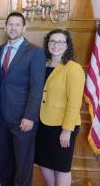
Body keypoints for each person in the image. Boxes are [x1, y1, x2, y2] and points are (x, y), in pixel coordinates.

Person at [0, 12, 45, 186]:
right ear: (5, 27)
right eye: (10, 24)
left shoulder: (35, 52)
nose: (13, 28)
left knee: (23, 165)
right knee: (4, 162)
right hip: (0, 118)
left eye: (17, 24)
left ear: (24, 28)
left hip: (23, 119)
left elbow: (36, 88)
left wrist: (30, 116)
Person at [35, 29, 85, 186]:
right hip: (42, 123)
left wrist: (67, 130)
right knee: (43, 163)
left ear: (67, 45)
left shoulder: (73, 68)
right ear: (47, 44)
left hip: (62, 126)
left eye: (60, 42)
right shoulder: (43, 64)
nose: (55, 45)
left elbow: (74, 103)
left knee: (61, 168)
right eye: (52, 41)